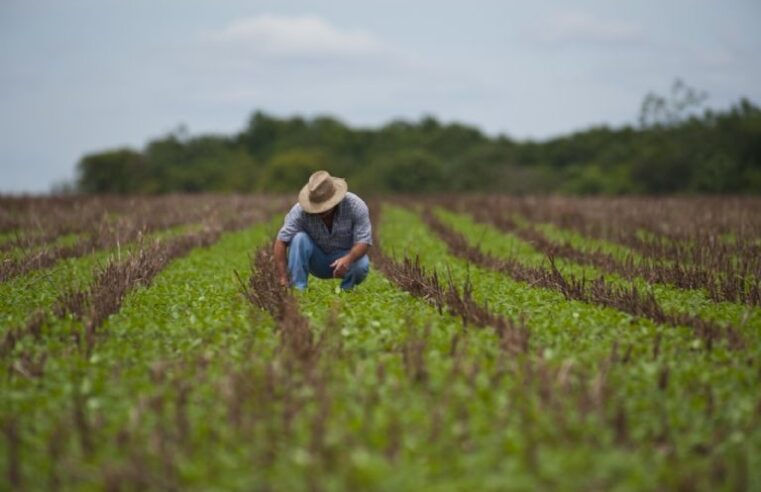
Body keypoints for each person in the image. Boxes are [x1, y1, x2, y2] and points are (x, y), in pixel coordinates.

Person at [274, 170, 372, 291]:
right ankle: (298, 290)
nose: (320, 211)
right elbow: (281, 241)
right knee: (299, 239)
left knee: (361, 265)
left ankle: (345, 291)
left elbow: (364, 241)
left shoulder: (355, 205)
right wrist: (283, 278)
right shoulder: (299, 211)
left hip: (345, 258)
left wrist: (347, 259)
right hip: (317, 260)